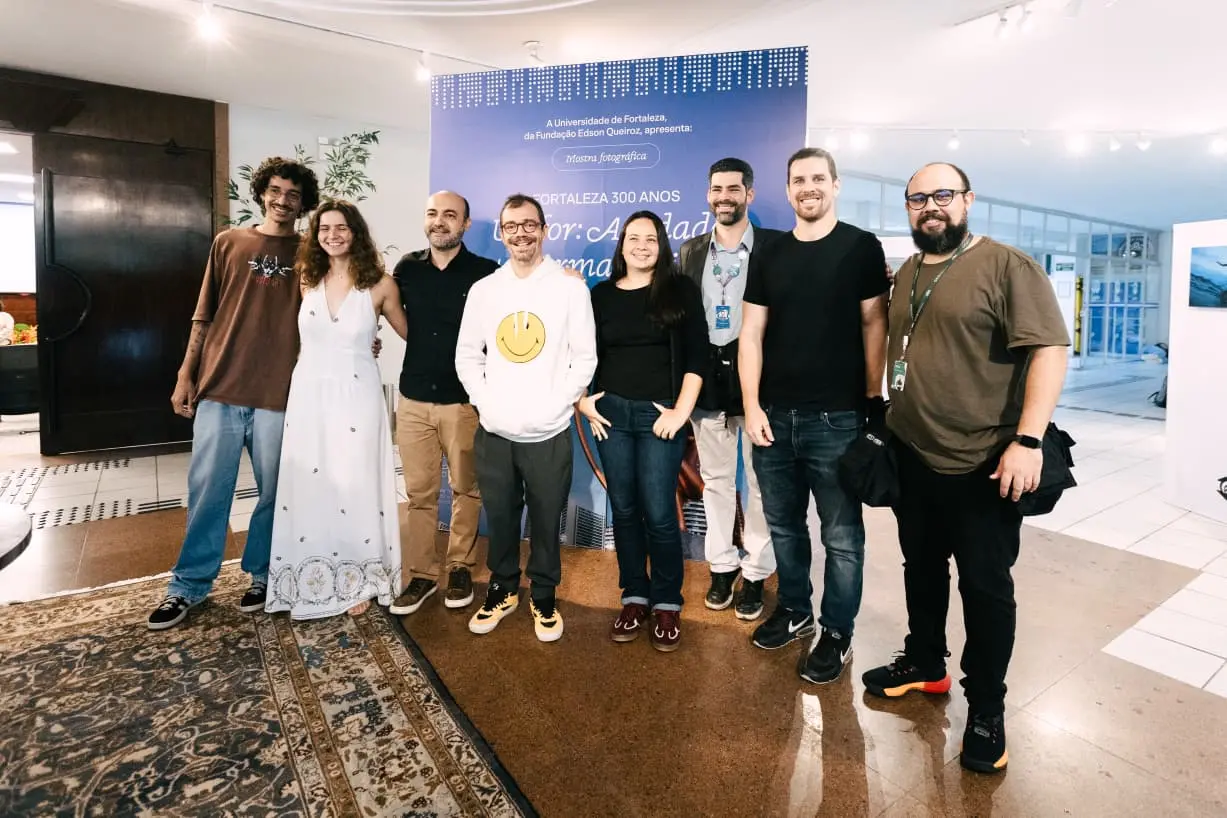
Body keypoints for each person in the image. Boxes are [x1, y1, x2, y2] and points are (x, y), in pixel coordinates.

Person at [860, 162, 1069, 775]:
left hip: (985, 463)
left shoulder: (1007, 266)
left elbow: (1049, 352)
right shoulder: (907, 274)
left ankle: (987, 709)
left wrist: (1027, 440)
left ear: (968, 200)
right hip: (914, 457)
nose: (931, 206)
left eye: (942, 195)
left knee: (984, 589)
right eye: (918, 198)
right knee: (920, 569)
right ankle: (925, 663)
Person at [148, 156, 321, 630]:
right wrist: (187, 375)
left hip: (280, 394)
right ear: (262, 191)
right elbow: (203, 316)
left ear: (304, 204)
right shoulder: (229, 242)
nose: (283, 201)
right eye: (276, 191)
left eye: (293, 195)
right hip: (220, 387)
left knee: (274, 494)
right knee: (207, 491)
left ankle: (264, 575)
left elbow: (330, 314)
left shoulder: (312, 252)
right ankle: (188, 586)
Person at [739, 147, 890, 684]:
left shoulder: (860, 247)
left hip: (838, 420)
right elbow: (751, 334)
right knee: (783, 526)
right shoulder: (772, 252)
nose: (809, 187)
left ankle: (838, 631)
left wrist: (874, 402)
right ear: (787, 190)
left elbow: (876, 325)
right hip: (774, 418)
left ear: (836, 184)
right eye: (799, 179)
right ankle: (796, 609)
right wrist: (752, 405)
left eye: (818, 178)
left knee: (842, 536)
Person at [454, 193, 597, 643]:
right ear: (501, 232)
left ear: (544, 230)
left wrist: (558, 404)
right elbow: (466, 355)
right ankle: (502, 589)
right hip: (495, 430)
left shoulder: (569, 287)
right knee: (499, 515)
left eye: (529, 224)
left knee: (545, 517)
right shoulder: (485, 290)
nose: (521, 232)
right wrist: (484, 401)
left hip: (549, 430)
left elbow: (584, 358)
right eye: (512, 225)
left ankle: (544, 594)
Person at [264, 200, 408, 619]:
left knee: (353, 483)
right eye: (324, 228)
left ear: (356, 232)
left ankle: (357, 578)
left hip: (357, 395)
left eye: (341, 227)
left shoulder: (380, 284)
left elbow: (414, 335)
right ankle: (308, 575)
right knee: (311, 484)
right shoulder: (307, 278)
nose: (332, 235)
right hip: (308, 394)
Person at [580, 211, 707, 651]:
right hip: (612, 416)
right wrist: (581, 400)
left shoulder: (679, 291)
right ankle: (634, 596)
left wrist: (679, 413)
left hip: (659, 420)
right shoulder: (601, 296)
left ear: (661, 245)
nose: (640, 246)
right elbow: (579, 354)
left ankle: (667, 602)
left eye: (649, 238)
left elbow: (697, 358)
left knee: (658, 512)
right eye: (632, 238)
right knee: (624, 508)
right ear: (621, 246)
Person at [677, 158, 781, 622]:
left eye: (733, 189)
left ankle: (756, 573)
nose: (724, 196)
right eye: (716, 188)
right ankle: (722, 567)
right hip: (708, 378)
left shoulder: (776, 248)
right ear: (708, 194)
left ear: (750, 195)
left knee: (760, 483)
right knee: (717, 480)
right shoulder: (690, 250)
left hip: (759, 376)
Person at [388, 191, 498, 617]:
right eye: (432, 213)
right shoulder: (407, 268)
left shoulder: (486, 273)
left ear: (465, 224)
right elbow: (387, 311)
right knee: (419, 493)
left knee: (466, 490)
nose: (440, 221)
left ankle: (459, 567)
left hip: (463, 402)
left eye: (450, 215)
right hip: (413, 398)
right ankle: (420, 574)